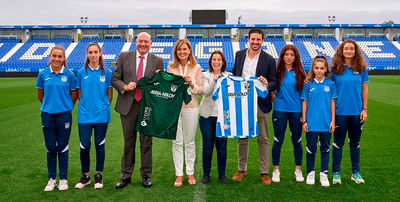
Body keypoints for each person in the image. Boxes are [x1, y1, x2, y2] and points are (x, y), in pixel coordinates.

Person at [112, 32, 164, 189]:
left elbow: (160, 84)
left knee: (146, 143)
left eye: (146, 42)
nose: (143, 44)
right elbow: (115, 78)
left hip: (147, 106)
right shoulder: (124, 56)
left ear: (151, 43)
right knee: (129, 142)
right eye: (140, 41)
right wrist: (124, 86)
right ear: (136, 42)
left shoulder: (158, 61)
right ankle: (125, 176)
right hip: (128, 105)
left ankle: (146, 176)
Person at [231, 28, 276, 185]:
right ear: (248, 40)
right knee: (242, 137)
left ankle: (264, 172)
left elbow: (274, 82)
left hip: (260, 102)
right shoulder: (239, 55)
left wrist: (266, 83)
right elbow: (235, 75)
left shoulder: (269, 59)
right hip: (242, 101)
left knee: (263, 138)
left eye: (258, 39)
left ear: (262, 41)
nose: (255, 42)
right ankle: (241, 169)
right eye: (253, 39)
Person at [36, 45, 77, 191]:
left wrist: (63, 107)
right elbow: (40, 95)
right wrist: (51, 106)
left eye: (60, 56)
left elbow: (73, 96)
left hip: (64, 115)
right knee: (50, 148)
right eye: (54, 56)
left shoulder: (70, 75)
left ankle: (63, 179)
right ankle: (52, 179)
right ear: (50, 57)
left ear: (64, 58)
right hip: (47, 114)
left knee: (63, 147)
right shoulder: (42, 74)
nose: (57, 59)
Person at [74, 42, 113, 189]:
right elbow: (79, 95)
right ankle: (85, 176)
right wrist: (86, 106)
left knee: (99, 145)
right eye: (90, 52)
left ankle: (98, 175)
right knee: (84, 146)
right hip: (84, 116)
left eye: (95, 52)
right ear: (87, 54)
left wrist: (101, 107)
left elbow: (109, 95)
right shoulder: (80, 73)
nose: (93, 55)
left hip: (101, 116)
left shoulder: (107, 73)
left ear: (100, 53)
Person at [330, 39, 369, 184]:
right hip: (340, 113)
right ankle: (336, 173)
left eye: (351, 49)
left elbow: (364, 89)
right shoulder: (335, 68)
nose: (349, 51)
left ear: (356, 50)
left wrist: (364, 109)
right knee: (338, 144)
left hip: (356, 113)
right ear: (342, 50)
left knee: (355, 144)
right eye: (346, 48)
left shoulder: (362, 68)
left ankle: (356, 173)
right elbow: (329, 89)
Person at [167, 39, 203, 186]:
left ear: (189, 51)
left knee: (189, 141)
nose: (182, 52)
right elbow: (168, 89)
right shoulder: (170, 67)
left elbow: (200, 90)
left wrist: (192, 83)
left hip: (191, 107)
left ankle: (190, 173)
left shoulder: (196, 67)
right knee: (176, 142)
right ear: (176, 52)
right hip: (174, 109)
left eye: (185, 49)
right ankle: (179, 174)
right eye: (179, 49)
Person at [271, 45, 306, 183]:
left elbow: (304, 94)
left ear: (296, 57)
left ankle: (298, 170)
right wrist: (278, 102)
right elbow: (272, 90)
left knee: (297, 141)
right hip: (280, 110)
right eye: (286, 54)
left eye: (292, 54)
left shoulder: (301, 73)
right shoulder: (276, 71)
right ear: (282, 56)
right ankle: (276, 170)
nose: (289, 57)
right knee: (278, 140)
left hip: (296, 111)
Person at [301, 56, 337, 187]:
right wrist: (304, 121)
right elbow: (304, 103)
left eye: (322, 68)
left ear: (326, 69)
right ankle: (310, 173)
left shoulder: (330, 84)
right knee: (311, 149)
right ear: (313, 69)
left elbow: (333, 103)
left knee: (325, 149)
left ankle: (324, 174)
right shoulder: (308, 85)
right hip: (311, 123)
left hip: (326, 123)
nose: (319, 70)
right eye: (317, 68)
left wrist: (333, 120)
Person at [199, 50, 230, 184]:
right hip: (207, 116)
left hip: (224, 117)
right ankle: (206, 174)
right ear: (210, 62)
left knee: (222, 146)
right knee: (207, 146)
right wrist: (214, 80)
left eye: (219, 59)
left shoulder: (229, 76)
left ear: (223, 62)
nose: (216, 62)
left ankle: (222, 174)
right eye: (214, 59)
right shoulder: (205, 75)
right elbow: (206, 93)